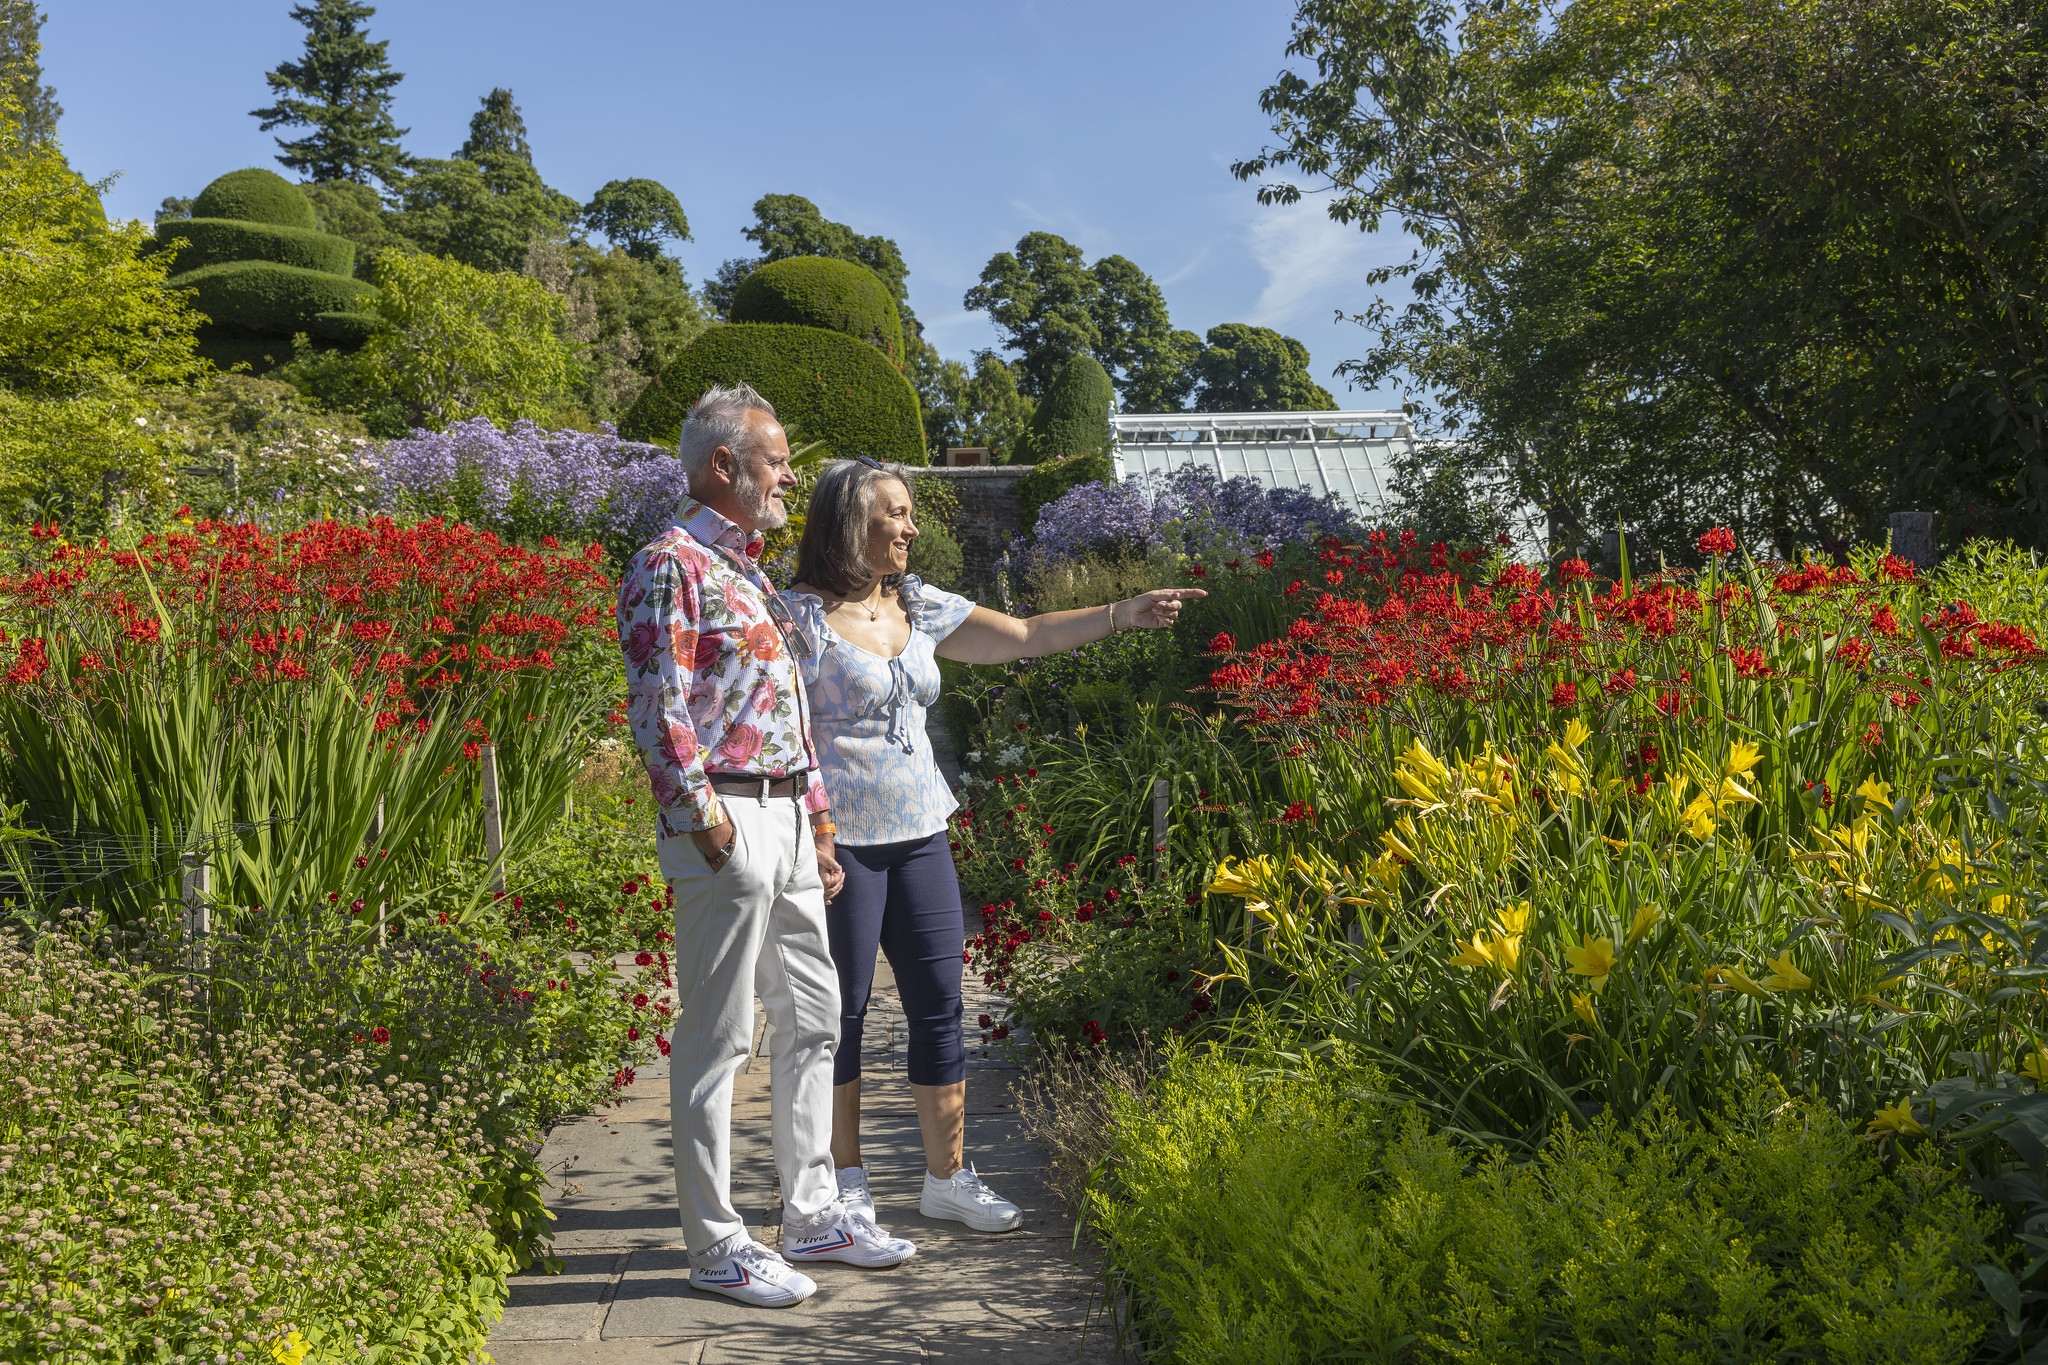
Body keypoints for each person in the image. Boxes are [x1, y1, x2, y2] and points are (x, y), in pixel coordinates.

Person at [785, 457, 1203, 1232]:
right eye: (897, 514)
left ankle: (946, 1177)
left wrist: (1122, 611)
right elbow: (771, 729)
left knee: (941, 1006)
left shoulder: (916, 602)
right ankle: (843, 1181)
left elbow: (1022, 634)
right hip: (837, 842)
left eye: (910, 514)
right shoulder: (796, 618)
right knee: (837, 1015)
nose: (911, 527)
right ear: (851, 522)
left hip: (922, 834)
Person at [617, 386, 916, 1309]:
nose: (789, 475)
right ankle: (716, 1244)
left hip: (787, 818)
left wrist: (819, 826)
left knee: (815, 1015)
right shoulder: (670, 563)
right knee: (718, 1035)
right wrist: (710, 826)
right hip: (730, 827)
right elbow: (657, 702)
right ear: (724, 467)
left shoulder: (746, 572)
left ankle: (814, 1211)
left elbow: (781, 715)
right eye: (776, 460)